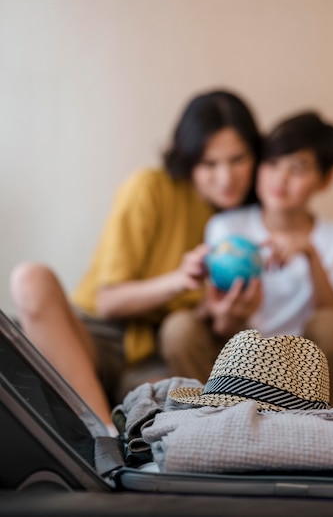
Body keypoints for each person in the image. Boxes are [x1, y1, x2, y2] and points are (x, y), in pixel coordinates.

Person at [10, 89, 263, 431]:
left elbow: (192, 328)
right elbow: (107, 300)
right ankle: (104, 435)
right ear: (188, 159)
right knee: (30, 279)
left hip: (156, 352)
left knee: (170, 391)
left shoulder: (251, 224)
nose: (226, 177)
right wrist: (179, 279)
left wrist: (219, 315)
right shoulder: (151, 187)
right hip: (100, 334)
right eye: (209, 163)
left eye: (238, 159)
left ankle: (116, 436)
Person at [201, 110, 333, 407]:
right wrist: (227, 318)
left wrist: (311, 254)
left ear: (325, 180)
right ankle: (207, 416)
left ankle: (314, 420)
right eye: (272, 164)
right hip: (239, 360)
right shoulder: (226, 227)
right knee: (180, 328)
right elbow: (213, 314)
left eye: (298, 169)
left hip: (304, 373)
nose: (280, 179)